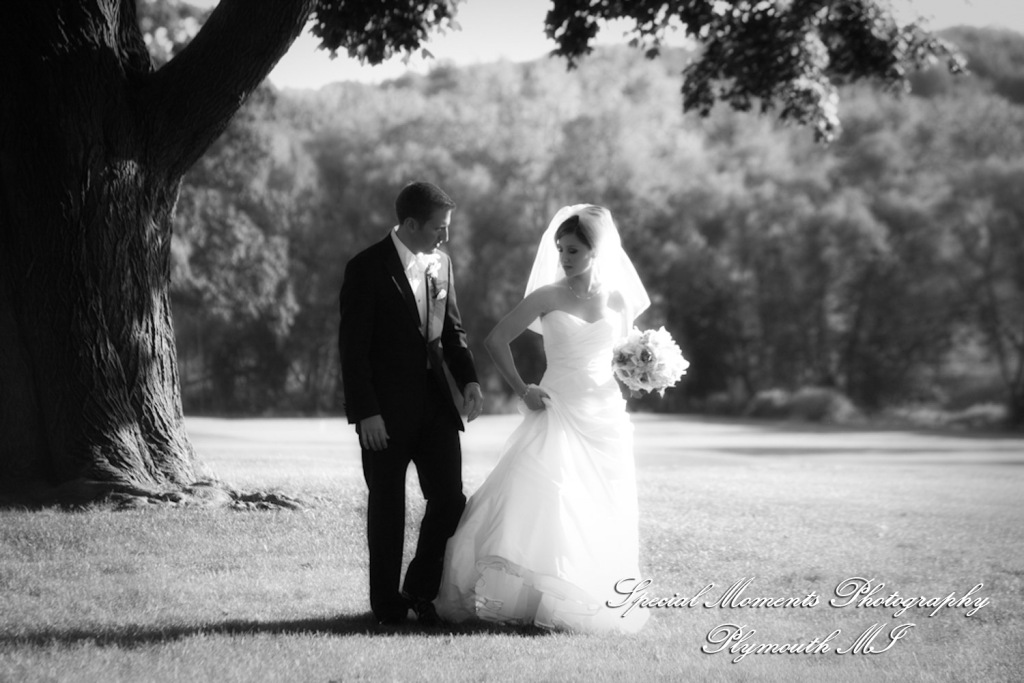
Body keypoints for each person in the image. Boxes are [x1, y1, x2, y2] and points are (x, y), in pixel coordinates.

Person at [435, 204, 651, 633]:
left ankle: (589, 597)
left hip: (604, 413)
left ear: (596, 251)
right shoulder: (548, 297)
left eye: (573, 250)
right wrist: (522, 389)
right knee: (551, 497)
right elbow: (496, 340)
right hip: (557, 407)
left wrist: (642, 370)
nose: (564, 258)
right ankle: (534, 599)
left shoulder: (619, 300)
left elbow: (625, 352)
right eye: (561, 250)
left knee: (601, 502)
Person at [338, 181, 484, 627]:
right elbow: (353, 348)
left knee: (449, 499)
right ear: (411, 223)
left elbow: (452, 332)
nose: (444, 237)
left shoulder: (441, 264)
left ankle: (419, 589)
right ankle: (386, 606)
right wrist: (367, 413)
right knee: (387, 506)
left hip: (436, 405)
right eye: (439, 227)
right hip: (383, 413)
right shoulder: (366, 267)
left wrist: (470, 380)